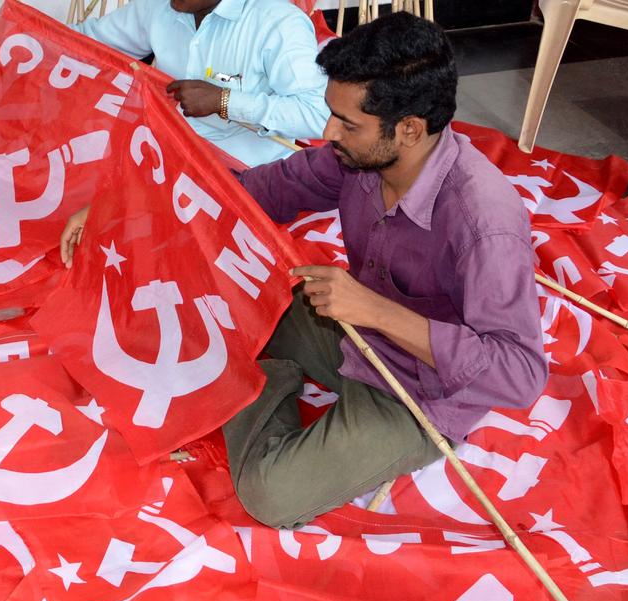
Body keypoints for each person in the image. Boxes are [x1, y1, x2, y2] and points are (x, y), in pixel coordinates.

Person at [61, 12, 546, 530]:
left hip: (420, 391)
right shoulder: (355, 158)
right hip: (348, 330)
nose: (327, 131)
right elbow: (248, 194)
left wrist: (375, 311)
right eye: (332, 113)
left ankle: (255, 378)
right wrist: (125, 207)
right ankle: (255, 370)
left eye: (347, 123)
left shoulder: (483, 220)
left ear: (409, 129)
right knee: (212, 288)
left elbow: (520, 374)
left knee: (271, 495)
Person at [0, 0, 329, 167]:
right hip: (165, 156)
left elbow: (318, 116)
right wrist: (11, 43)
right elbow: (86, 41)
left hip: (245, 172)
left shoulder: (277, 21)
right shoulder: (161, 7)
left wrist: (225, 102)